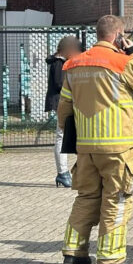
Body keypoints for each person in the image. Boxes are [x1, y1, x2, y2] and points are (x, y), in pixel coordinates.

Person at [57, 15, 133, 264]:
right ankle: (111, 257)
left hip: (86, 148)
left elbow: (64, 108)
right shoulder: (123, 62)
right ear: (118, 36)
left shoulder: (74, 64)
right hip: (117, 148)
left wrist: (72, 136)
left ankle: (73, 255)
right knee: (117, 199)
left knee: (86, 198)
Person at [45, 36, 82, 188]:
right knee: (61, 136)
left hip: (63, 102)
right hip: (61, 103)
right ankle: (62, 172)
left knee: (65, 135)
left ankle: (66, 172)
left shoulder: (59, 62)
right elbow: (60, 83)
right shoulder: (59, 63)